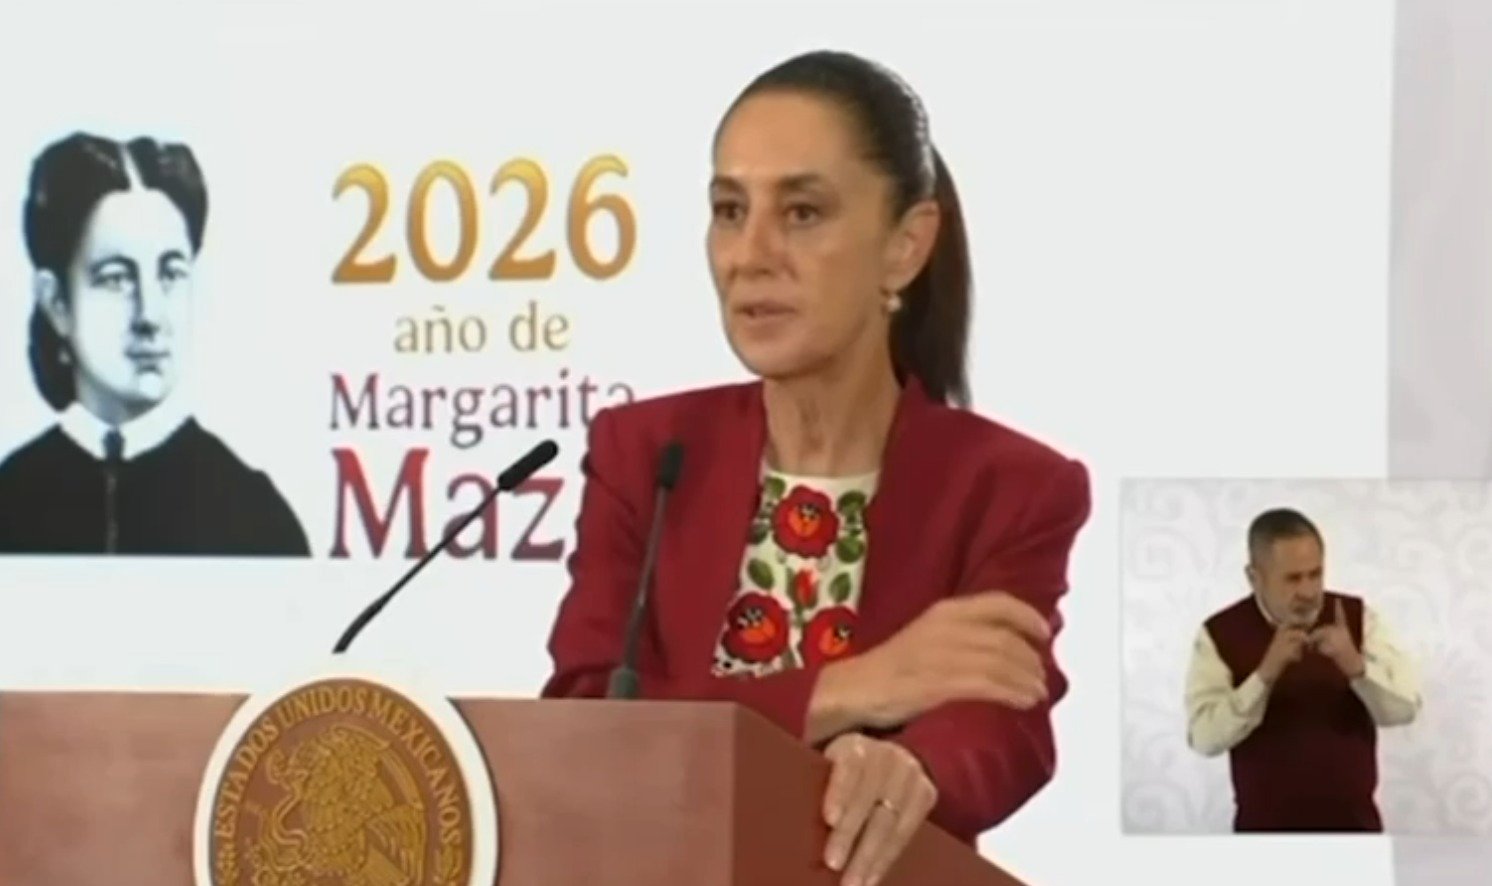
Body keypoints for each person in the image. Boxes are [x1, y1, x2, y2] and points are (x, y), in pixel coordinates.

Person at [541, 50, 1091, 884]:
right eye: (730, 210)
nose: (749, 255)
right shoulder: (647, 451)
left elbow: (1000, 722)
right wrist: (855, 688)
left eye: (802, 213)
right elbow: (585, 727)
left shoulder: (1010, 485)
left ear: (906, 246)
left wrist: (916, 766)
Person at [0, 132, 310, 556]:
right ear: (56, 302)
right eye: (116, 278)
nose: (150, 315)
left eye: (170, 274)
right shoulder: (11, 500)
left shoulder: (254, 515)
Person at [1184, 507, 1422, 832]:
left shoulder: (1359, 618)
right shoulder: (1218, 634)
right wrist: (1263, 676)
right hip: (1263, 839)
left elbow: (1406, 710)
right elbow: (1204, 739)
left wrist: (1355, 666)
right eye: (1293, 578)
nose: (1309, 591)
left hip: (1355, 832)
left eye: (1316, 574)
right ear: (1254, 577)